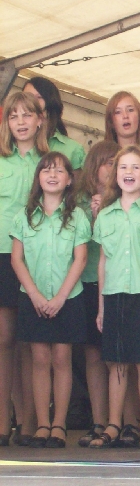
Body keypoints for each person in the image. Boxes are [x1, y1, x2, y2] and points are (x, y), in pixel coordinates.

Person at [89, 146, 140, 448]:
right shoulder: (105, 216)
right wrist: (101, 308)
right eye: (123, 167)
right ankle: (115, 423)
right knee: (117, 362)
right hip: (114, 296)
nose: (129, 172)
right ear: (115, 175)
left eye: (136, 167)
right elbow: (102, 263)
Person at [10, 152, 90, 448]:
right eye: (46, 170)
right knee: (40, 360)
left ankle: (59, 424)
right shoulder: (24, 216)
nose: (52, 175)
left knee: (61, 359)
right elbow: (17, 259)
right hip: (32, 298)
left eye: (59, 171)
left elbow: (80, 259)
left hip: (68, 298)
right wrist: (34, 294)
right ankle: (42, 424)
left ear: (69, 180)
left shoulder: (77, 216)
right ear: (38, 178)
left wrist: (59, 298)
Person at [0, 92, 48, 447]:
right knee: (4, 340)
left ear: (39, 120)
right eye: (13, 116)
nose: (20, 122)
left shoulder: (49, 162)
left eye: (27, 114)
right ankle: (4, 420)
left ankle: (30, 422)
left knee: (32, 343)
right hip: (3, 254)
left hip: (39, 258)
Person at [74, 140, 119, 447]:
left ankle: (122, 421)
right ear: (93, 167)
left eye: (116, 162)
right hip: (90, 283)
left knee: (118, 356)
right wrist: (93, 217)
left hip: (120, 285)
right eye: (107, 162)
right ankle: (99, 421)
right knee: (93, 355)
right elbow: (81, 246)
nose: (111, 168)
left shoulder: (127, 198)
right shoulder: (79, 203)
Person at [23, 76, 86, 171]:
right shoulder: (7, 146)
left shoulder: (72, 149)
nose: (32, 101)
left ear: (51, 103)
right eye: (27, 96)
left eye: (39, 97)